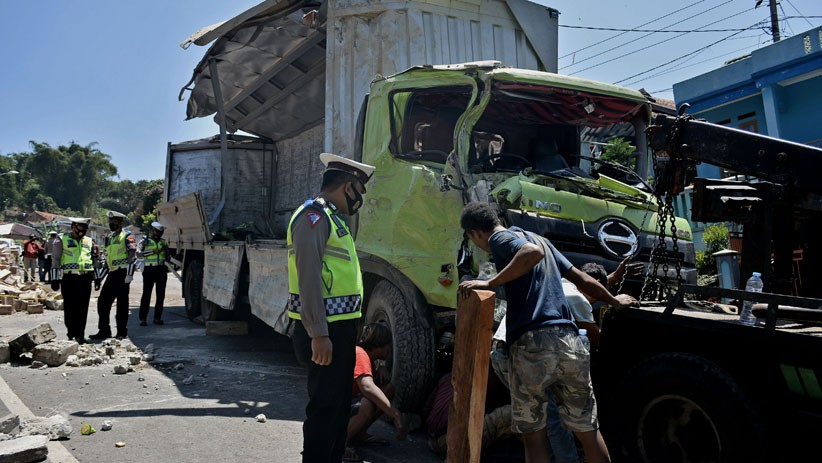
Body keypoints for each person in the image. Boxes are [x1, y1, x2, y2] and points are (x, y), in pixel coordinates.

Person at [458, 202, 637, 463]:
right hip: (569, 342)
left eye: (474, 240)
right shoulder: (542, 240)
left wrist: (490, 282)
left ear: (476, 233)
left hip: (531, 344)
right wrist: (613, 300)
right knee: (588, 432)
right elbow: (582, 279)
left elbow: (531, 254)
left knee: (534, 437)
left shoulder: (499, 239)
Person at [287, 152, 375, 463]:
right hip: (325, 331)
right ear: (348, 186)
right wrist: (319, 334)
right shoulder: (313, 217)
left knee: (338, 409)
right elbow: (309, 277)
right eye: (359, 191)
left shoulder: (334, 220)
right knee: (324, 411)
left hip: (340, 329)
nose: (360, 200)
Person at [344, 323, 407, 462]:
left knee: (388, 390)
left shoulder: (369, 360)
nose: (390, 349)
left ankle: (358, 434)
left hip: (346, 407)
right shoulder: (360, 354)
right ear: (380, 344)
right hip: (335, 412)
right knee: (366, 404)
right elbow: (367, 387)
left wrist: (381, 369)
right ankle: (340, 444)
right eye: (388, 345)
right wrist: (395, 414)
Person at [49, 218, 102, 344]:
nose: (82, 231)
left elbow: (95, 260)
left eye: (85, 229)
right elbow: (55, 259)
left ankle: (80, 335)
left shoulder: (89, 241)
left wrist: (97, 277)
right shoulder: (61, 239)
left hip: (85, 278)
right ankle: (71, 332)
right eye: (80, 228)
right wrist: (54, 279)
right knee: (70, 307)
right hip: (69, 278)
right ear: (73, 227)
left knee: (83, 308)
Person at [90, 211, 136, 340]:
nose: (111, 224)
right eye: (110, 222)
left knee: (122, 304)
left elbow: (132, 255)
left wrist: (130, 274)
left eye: (114, 222)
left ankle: (121, 332)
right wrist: (99, 278)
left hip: (123, 273)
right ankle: (104, 330)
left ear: (120, 223)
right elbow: (107, 261)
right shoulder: (109, 238)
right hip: (112, 273)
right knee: (102, 302)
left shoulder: (127, 236)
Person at [138, 221, 169, 326]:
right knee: (146, 294)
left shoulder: (163, 242)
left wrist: (167, 253)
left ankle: (157, 318)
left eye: (161, 231)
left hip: (161, 269)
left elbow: (167, 256)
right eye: (157, 231)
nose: (159, 233)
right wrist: (153, 252)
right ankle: (143, 318)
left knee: (160, 295)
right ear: (153, 230)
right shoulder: (145, 241)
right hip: (149, 270)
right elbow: (138, 254)